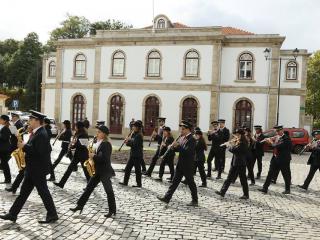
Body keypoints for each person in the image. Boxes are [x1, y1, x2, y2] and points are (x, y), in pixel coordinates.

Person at [0, 110, 58, 224]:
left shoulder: (41, 134)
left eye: (31, 120)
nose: (29, 121)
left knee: (43, 192)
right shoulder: (37, 132)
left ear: (37, 121)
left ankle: (52, 214)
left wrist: (24, 146)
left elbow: (39, 152)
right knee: (24, 193)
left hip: (37, 169)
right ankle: (13, 214)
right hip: (32, 169)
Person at [70, 125, 116, 218]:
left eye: (99, 132)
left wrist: (93, 156)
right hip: (97, 170)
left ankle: (112, 210)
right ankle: (80, 206)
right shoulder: (98, 142)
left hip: (104, 171)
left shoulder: (106, 144)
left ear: (104, 134)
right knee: (88, 189)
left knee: (108, 191)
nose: (97, 133)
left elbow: (104, 159)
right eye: (97, 132)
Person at [157, 120, 198, 207]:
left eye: (183, 129)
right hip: (180, 164)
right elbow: (179, 150)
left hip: (187, 165)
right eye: (181, 129)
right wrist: (172, 147)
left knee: (191, 183)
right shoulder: (182, 138)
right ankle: (167, 198)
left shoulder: (192, 139)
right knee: (174, 182)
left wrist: (177, 146)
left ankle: (195, 200)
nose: (181, 131)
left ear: (188, 130)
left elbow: (187, 152)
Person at [54, 121, 90, 188]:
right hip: (77, 155)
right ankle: (61, 183)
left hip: (83, 155)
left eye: (76, 126)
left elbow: (85, 145)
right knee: (69, 169)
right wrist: (72, 146)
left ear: (79, 127)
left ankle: (90, 185)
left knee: (86, 172)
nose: (75, 127)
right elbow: (76, 143)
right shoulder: (78, 133)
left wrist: (74, 144)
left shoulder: (84, 134)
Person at [215, 129, 249, 199]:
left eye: (238, 135)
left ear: (241, 135)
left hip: (241, 163)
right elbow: (234, 148)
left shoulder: (244, 142)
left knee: (243, 179)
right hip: (235, 162)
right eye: (236, 135)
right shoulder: (238, 141)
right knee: (229, 178)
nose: (236, 136)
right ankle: (222, 191)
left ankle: (246, 194)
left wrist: (228, 146)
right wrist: (231, 143)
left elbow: (235, 150)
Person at [258, 126, 292, 194]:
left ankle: (287, 189)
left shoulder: (286, 139)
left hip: (283, 159)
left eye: (278, 131)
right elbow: (273, 146)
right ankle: (265, 188)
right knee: (270, 173)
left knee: (286, 174)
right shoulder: (277, 137)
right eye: (276, 131)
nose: (277, 133)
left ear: (282, 130)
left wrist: (270, 142)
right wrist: (266, 140)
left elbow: (276, 146)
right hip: (275, 158)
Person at [5, 124, 32, 194]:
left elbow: (32, 148)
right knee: (21, 173)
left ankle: (16, 189)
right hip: (28, 158)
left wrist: (24, 146)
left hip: (33, 161)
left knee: (38, 182)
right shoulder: (31, 135)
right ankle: (14, 188)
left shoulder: (35, 135)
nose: (27, 128)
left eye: (28, 126)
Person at [119, 120, 144, 188]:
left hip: (137, 155)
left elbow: (134, 144)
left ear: (138, 127)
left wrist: (128, 141)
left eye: (134, 126)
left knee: (137, 170)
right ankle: (125, 182)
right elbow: (130, 144)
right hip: (133, 154)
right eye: (133, 126)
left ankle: (139, 184)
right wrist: (127, 141)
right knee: (127, 169)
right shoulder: (134, 134)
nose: (133, 127)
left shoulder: (139, 135)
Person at [0, 115, 12, 184]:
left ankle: (8, 179)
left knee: (5, 165)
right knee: (4, 165)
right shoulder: (2, 127)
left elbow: (5, 138)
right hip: (2, 148)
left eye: (1, 119)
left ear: (4, 120)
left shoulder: (7, 128)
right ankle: (7, 179)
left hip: (4, 149)